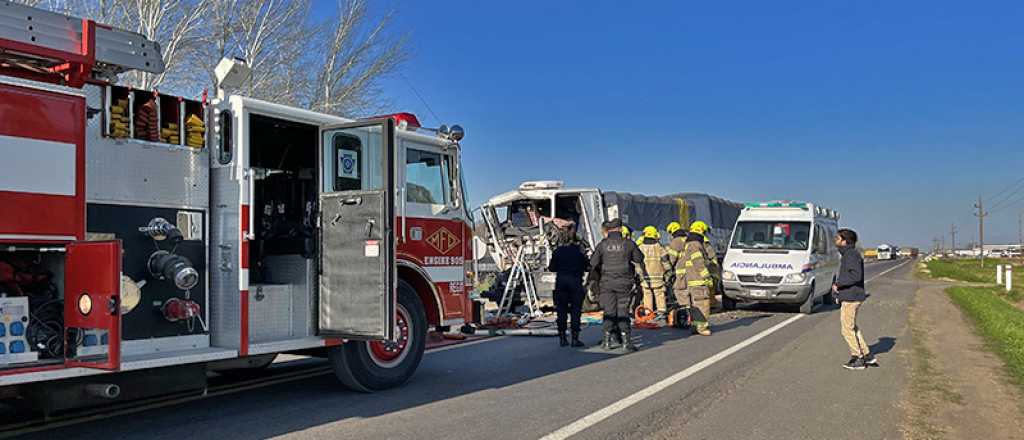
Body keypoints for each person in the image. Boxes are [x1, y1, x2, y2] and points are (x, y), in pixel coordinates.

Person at [590, 218, 646, 351]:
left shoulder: (602, 245)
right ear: (620, 229)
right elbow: (639, 258)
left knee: (609, 312)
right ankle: (626, 343)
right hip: (624, 283)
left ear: (609, 230)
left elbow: (593, 263)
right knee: (623, 311)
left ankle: (607, 341)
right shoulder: (628, 244)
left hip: (607, 283)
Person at [833, 229, 878, 370]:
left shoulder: (851, 255)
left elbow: (856, 276)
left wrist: (839, 284)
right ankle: (866, 355)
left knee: (846, 330)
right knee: (851, 327)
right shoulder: (849, 254)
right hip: (852, 295)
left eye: (838, 238)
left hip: (851, 297)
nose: (835, 241)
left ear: (845, 241)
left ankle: (858, 358)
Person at [668, 221, 714, 336]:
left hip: (691, 279)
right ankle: (702, 327)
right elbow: (698, 262)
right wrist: (707, 276)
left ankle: (695, 326)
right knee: (702, 303)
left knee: (695, 305)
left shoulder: (688, 243)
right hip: (698, 279)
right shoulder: (695, 244)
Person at [548, 228, 588, 348]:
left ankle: (562, 338)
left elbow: (552, 268)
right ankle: (575, 338)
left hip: (561, 282)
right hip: (575, 282)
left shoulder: (557, 251)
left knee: (561, 311)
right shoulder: (579, 252)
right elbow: (587, 266)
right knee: (576, 311)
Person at [638, 226, 670, 319]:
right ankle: (661, 311)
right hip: (658, 277)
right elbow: (665, 261)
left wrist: (639, 274)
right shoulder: (659, 247)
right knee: (659, 294)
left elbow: (637, 263)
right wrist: (668, 269)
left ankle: (648, 313)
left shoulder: (640, 248)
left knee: (647, 294)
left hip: (645, 277)